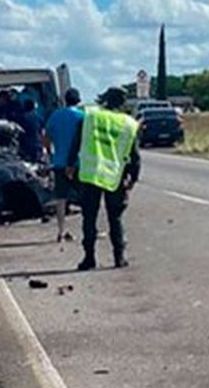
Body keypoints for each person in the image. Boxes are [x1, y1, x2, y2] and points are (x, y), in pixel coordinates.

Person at [67, 87, 141, 271]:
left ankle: (89, 258)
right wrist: (133, 177)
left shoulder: (91, 117)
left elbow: (76, 142)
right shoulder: (128, 124)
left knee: (89, 217)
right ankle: (119, 257)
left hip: (91, 173)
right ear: (122, 103)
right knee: (115, 218)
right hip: (115, 175)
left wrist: (70, 164)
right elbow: (134, 155)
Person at [43, 87, 85, 242]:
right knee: (85, 197)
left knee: (61, 197)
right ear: (78, 100)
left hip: (59, 162)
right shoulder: (82, 116)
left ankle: (61, 230)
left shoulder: (55, 115)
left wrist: (50, 152)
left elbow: (46, 136)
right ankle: (89, 228)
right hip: (79, 162)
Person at [16, 97, 44, 162]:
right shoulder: (38, 117)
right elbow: (42, 132)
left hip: (25, 147)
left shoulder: (21, 118)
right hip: (37, 146)